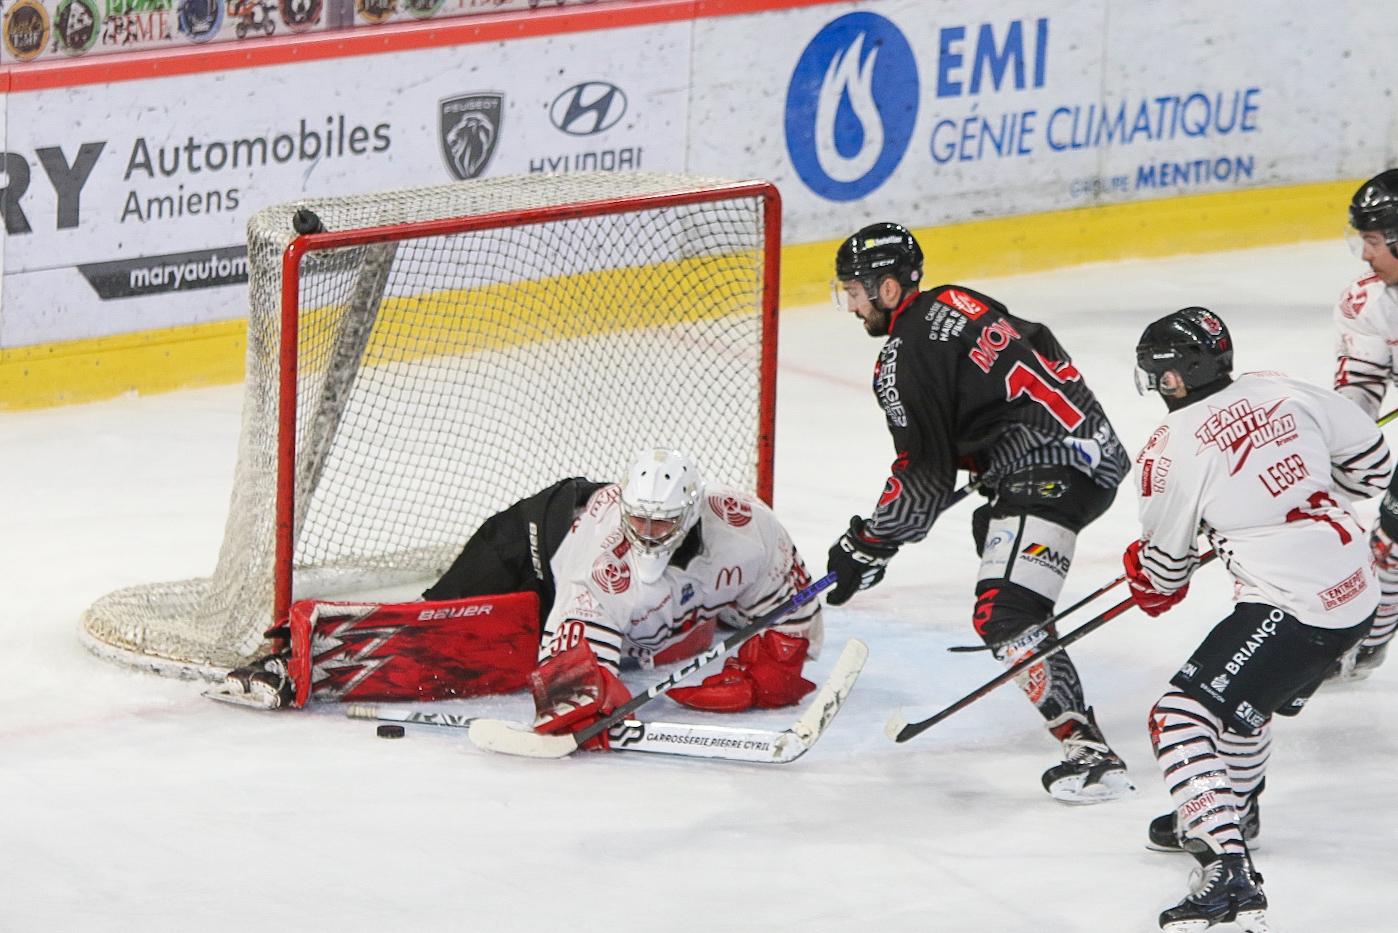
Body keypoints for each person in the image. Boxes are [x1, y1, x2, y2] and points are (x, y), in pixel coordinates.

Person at [212, 449, 824, 746]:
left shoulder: (747, 528)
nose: (646, 532)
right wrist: (584, 701)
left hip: (599, 576)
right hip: (531, 546)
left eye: (660, 523)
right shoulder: (604, 557)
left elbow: (791, 599)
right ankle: (287, 663)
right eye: (638, 519)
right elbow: (569, 670)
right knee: (441, 628)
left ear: (689, 514)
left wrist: (772, 667)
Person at [825, 221, 1133, 802]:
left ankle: (1089, 754)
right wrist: (1006, 447)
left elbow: (923, 481)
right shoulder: (958, 300)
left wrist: (867, 544)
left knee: (1003, 614)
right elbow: (1041, 346)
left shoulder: (901, 358)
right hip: (1096, 450)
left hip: (1050, 476)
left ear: (888, 288)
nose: (853, 307)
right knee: (988, 529)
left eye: (856, 292)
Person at [1125, 307, 1390, 931]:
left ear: (1171, 378)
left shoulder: (1168, 451)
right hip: (1357, 591)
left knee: (1179, 715)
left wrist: (1148, 567)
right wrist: (1289, 494)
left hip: (1297, 606)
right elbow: (1374, 470)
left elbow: (1165, 581)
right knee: (1246, 703)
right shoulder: (1279, 386)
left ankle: (1227, 869)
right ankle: (1236, 812)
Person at [1330, 167, 1398, 679]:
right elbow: (1362, 380)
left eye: (1373, 242)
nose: (1365, 255)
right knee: (1389, 546)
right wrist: (1343, 450)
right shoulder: (1367, 302)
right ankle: (1367, 644)